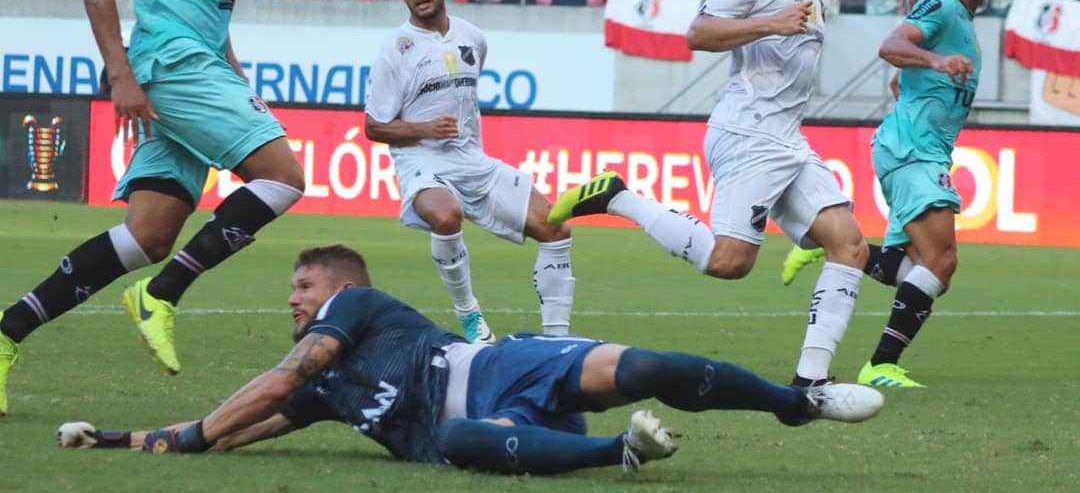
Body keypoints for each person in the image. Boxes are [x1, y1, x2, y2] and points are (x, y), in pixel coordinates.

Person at [0, 0, 307, 416]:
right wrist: (121, 76)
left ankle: (6, 335)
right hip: (168, 66)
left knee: (148, 234)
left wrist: (236, 74)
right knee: (283, 176)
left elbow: (212, 13)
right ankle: (161, 295)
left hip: (202, 65)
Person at [56, 245, 884, 472]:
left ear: (341, 285)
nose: (293, 299)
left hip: (495, 369)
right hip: (480, 428)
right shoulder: (327, 391)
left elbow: (278, 381)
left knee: (647, 368)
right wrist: (125, 439)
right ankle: (619, 452)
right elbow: (243, 426)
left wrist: (199, 434)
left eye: (302, 285)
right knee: (455, 444)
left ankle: (792, 400)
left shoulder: (355, 307)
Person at [548, 0, 872, 392]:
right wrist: (770, 23)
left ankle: (810, 382)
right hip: (748, 134)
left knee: (849, 245)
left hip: (788, 138)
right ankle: (619, 197)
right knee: (728, 263)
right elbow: (698, 33)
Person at [780, 0, 1015, 388]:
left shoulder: (963, 19)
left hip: (920, 149)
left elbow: (901, 73)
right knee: (941, 261)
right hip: (915, 150)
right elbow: (891, 45)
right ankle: (881, 364)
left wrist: (916, 80)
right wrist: (935, 62)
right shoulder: (943, 4)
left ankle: (826, 243)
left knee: (916, 269)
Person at [363, 0, 577, 343]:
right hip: (421, 162)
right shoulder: (394, 51)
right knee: (446, 215)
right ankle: (470, 315)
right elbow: (373, 127)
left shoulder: (472, 37)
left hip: (472, 159)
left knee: (556, 228)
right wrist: (424, 127)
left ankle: (556, 341)